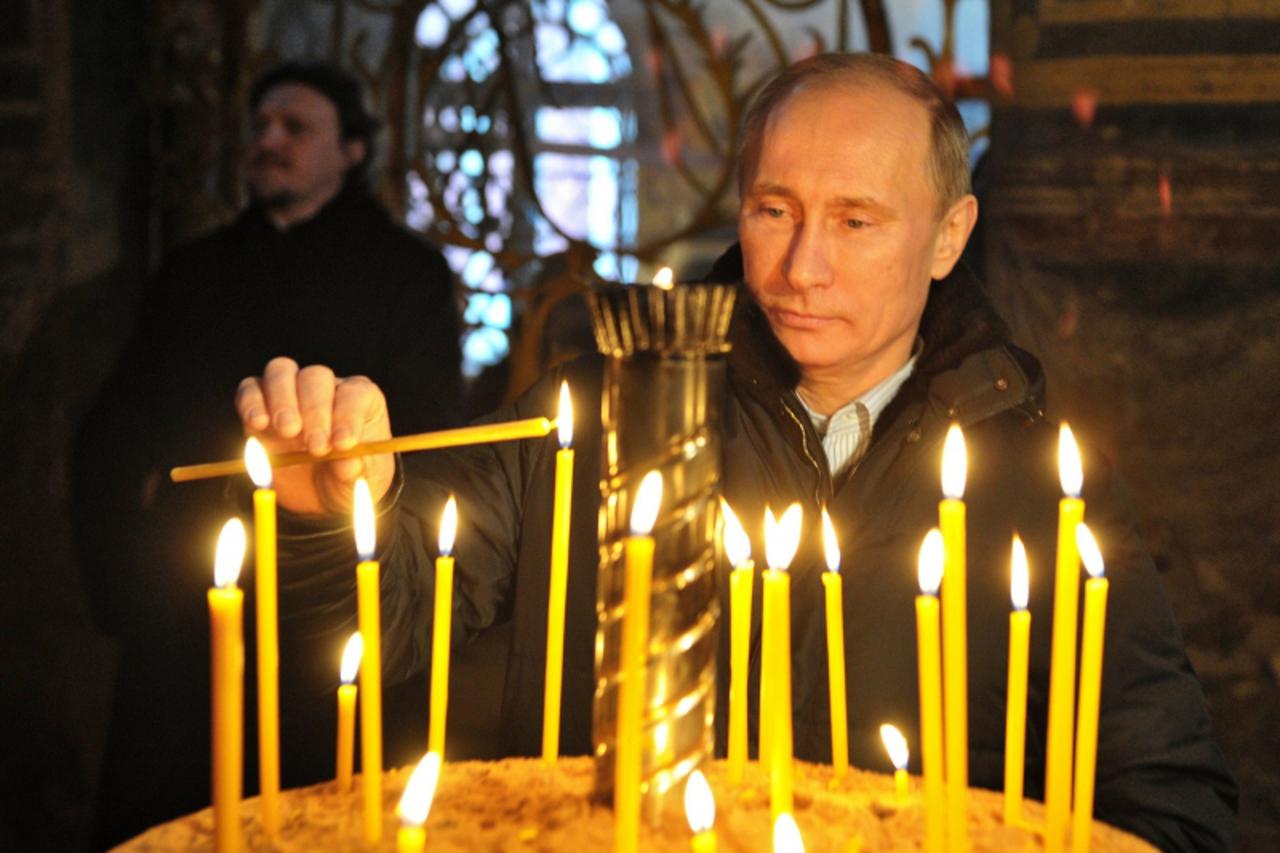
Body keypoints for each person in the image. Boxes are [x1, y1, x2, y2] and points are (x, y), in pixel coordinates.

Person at [232, 54, 1236, 851]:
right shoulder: (600, 410)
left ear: (945, 236)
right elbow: (391, 613)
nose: (801, 267)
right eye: (773, 211)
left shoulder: (1035, 479)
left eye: (855, 220)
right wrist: (331, 512)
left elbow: (1163, 796)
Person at [73, 61, 464, 848]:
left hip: (323, 617)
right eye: (260, 127)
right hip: (184, 607)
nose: (269, 141)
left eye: (295, 126)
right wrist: (125, 565)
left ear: (352, 148)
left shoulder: (407, 274)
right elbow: (121, 424)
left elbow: (424, 434)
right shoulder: (194, 269)